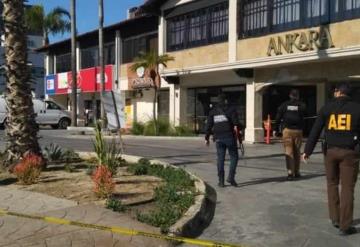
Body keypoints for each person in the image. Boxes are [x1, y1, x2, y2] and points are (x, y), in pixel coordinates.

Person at [303, 83, 360, 236]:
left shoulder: (327, 108)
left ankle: (335, 218)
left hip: (330, 151)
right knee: (347, 188)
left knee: (332, 184)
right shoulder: (357, 108)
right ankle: (345, 225)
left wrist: (307, 151)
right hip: (350, 153)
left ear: (337, 92)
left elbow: (315, 129)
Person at [205, 93, 244, 187]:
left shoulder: (213, 111)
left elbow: (209, 125)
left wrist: (206, 138)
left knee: (220, 159)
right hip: (229, 137)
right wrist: (240, 131)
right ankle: (231, 177)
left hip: (218, 138)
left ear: (217, 101)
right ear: (226, 100)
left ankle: (221, 181)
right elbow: (236, 124)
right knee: (234, 157)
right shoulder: (231, 110)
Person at [275, 89, 306, 180]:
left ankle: (290, 173)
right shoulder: (302, 105)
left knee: (289, 152)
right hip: (298, 131)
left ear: (290, 95)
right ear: (298, 96)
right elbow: (305, 113)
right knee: (297, 151)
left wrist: (276, 129)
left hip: (287, 131)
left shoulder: (284, 105)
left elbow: (278, 117)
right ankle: (297, 172)